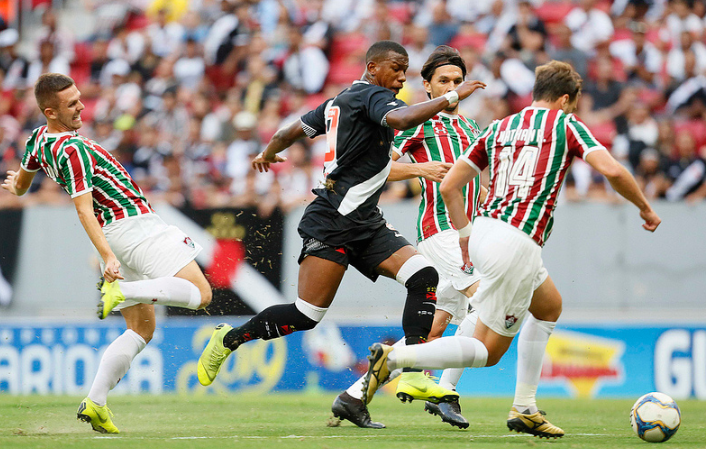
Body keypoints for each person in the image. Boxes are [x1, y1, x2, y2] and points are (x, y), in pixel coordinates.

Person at [362, 60, 661, 438]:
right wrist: (645, 208)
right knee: (486, 351)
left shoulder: (501, 127)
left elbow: (452, 184)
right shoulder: (565, 124)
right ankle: (397, 358)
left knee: (549, 305)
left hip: (486, 231)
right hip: (517, 242)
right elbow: (614, 171)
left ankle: (525, 406)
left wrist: (468, 237)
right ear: (566, 99)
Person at [195, 41, 485, 404]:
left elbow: (289, 132)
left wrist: (268, 153)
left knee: (424, 276)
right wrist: (452, 97)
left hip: (366, 221)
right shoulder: (373, 98)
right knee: (306, 314)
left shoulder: (338, 101)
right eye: (395, 68)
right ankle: (228, 339)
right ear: (373, 67)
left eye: (405, 69)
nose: (400, 77)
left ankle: (412, 373)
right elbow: (403, 120)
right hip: (331, 220)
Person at [1, 73, 213, 434]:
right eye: (72, 104)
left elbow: (21, 185)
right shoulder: (74, 150)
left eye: (80, 98)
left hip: (114, 237)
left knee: (141, 328)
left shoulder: (38, 139)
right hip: (134, 227)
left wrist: (15, 186)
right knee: (202, 294)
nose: (81, 106)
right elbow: (83, 209)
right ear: (50, 111)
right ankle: (122, 291)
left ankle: (96, 402)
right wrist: (110, 260)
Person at [331, 45, 485, 430]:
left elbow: (479, 186)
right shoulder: (417, 123)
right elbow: (379, 168)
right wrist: (422, 169)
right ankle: (447, 393)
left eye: (457, 80)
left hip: (469, 236)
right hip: (441, 232)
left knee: (433, 330)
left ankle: (354, 395)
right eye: (444, 81)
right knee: (490, 304)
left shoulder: (471, 129)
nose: (452, 86)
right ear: (429, 87)